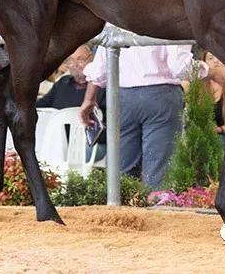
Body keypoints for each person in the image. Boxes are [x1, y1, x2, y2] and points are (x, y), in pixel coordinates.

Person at [79, 30, 207, 189]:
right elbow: (179, 67)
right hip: (161, 98)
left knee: (121, 173)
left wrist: (89, 99)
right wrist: (206, 70)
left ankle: (120, 212)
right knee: (158, 172)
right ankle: (155, 210)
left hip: (122, 97)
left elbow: (100, 67)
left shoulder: (117, 11)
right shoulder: (169, 12)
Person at [37, 45, 107, 160]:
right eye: (70, 60)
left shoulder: (103, 88)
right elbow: (42, 105)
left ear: (93, 60)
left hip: (91, 145)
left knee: (66, 154)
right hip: (58, 144)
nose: (75, 64)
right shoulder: (62, 83)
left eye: (80, 59)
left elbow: (110, 128)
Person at [203, 51, 225, 135]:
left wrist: (220, 129)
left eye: (219, 56)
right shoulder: (198, 86)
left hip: (224, 135)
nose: (215, 61)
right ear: (204, 63)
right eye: (210, 58)